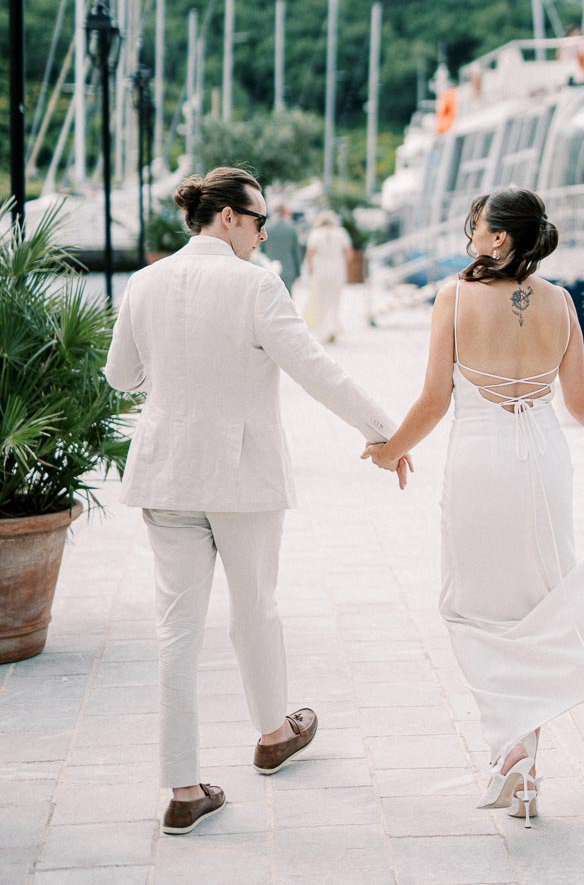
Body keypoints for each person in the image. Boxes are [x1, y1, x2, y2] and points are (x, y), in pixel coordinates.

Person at [104, 167, 412, 836]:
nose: (266, 230)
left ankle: (183, 790)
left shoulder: (143, 283)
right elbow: (315, 369)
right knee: (255, 608)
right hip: (241, 474)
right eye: (260, 218)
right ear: (227, 218)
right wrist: (383, 432)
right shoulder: (255, 284)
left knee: (176, 633)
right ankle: (273, 735)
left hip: (167, 473)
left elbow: (122, 377)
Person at [363, 187, 584, 826]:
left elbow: (433, 401)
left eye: (476, 226)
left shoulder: (453, 297)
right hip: (543, 464)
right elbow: (581, 404)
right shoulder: (561, 303)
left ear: (499, 238)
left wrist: (388, 449)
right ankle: (526, 770)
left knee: (470, 608)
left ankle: (512, 749)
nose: (470, 235)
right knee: (536, 610)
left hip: (480, 462)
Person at [304, 208, 353, 343]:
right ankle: (332, 328)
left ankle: (321, 329)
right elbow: (349, 253)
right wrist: (345, 266)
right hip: (337, 270)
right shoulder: (341, 233)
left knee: (320, 300)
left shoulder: (315, 234)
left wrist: (310, 269)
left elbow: (310, 254)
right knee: (335, 300)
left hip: (320, 270)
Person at [261, 203, 303, 297]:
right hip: (288, 269)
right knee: (287, 298)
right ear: (285, 212)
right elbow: (296, 252)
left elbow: (261, 250)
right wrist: (298, 272)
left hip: (269, 268)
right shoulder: (292, 228)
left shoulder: (266, 227)